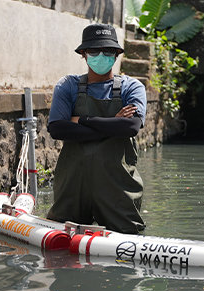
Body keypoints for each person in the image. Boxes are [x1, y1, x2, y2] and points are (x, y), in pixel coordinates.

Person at [46, 23, 147, 234]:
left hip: (118, 188)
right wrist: (113, 124)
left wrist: (82, 120)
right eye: (94, 51)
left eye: (108, 51)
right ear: (83, 54)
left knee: (126, 238)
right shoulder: (68, 86)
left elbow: (130, 126)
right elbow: (58, 129)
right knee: (62, 238)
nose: (101, 56)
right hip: (73, 185)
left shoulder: (132, 87)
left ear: (117, 54)